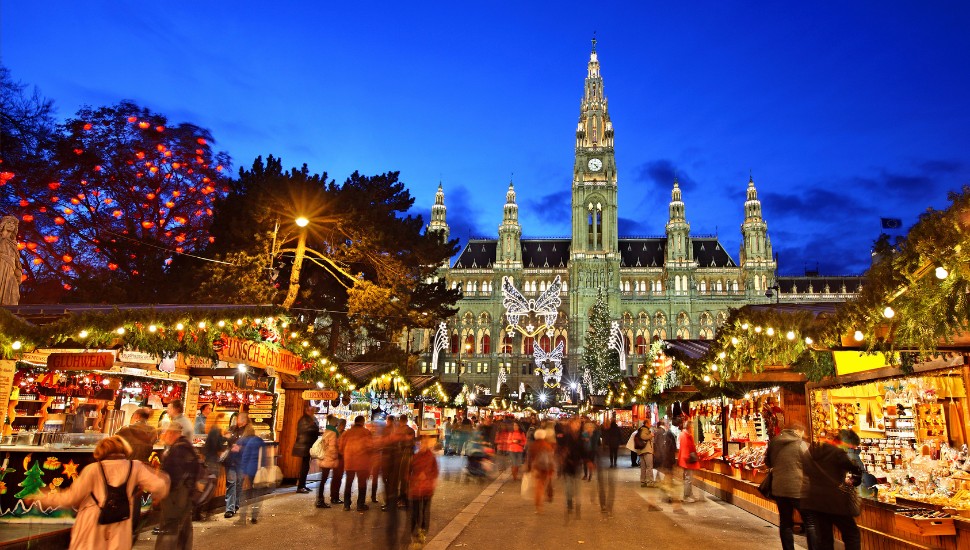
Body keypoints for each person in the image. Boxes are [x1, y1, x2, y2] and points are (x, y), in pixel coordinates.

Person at [30, 435, 169, 550]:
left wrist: (41, 498)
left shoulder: (93, 469)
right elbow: (160, 485)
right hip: (121, 524)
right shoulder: (135, 467)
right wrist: (140, 489)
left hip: (92, 525)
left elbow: (70, 498)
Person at [802, 429, 865, 550]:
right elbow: (856, 470)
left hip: (814, 501)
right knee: (852, 534)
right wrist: (854, 482)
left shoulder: (815, 450)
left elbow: (805, 468)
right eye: (852, 447)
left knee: (824, 538)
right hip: (834, 501)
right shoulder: (838, 453)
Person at [765, 421, 816, 550]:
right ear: (798, 431)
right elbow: (810, 465)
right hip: (798, 489)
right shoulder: (800, 444)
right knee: (810, 522)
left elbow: (768, 462)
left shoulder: (774, 442)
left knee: (785, 523)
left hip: (779, 488)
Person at [116, 407, 157, 541]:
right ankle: (132, 527)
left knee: (123, 496)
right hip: (143, 467)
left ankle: (120, 525)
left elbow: (113, 441)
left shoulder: (125, 429)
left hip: (127, 466)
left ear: (137, 415)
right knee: (136, 497)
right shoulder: (153, 431)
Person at [156, 426, 199, 549]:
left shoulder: (178, 449)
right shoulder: (186, 446)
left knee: (169, 529)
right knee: (184, 530)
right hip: (187, 495)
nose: (163, 437)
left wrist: (160, 492)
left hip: (176, 497)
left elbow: (172, 478)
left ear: (171, 433)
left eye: (164, 433)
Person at [408, 434, 439, 546]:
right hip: (416, 488)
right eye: (421, 443)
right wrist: (414, 478)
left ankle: (423, 531)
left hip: (426, 488)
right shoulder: (415, 457)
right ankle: (414, 531)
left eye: (425, 443)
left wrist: (428, 477)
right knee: (415, 510)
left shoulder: (431, 457)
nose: (423, 445)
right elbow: (408, 472)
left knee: (425, 510)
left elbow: (435, 471)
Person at [339, 415, 374, 511]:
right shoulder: (366, 432)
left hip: (349, 462)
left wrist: (345, 457)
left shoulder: (346, 433)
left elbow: (341, 448)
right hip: (362, 462)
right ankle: (360, 505)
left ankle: (346, 505)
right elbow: (370, 448)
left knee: (348, 483)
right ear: (363, 422)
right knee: (362, 484)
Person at [236, 424, 265, 525]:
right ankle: (254, 516)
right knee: (257, 493)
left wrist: (244, 471)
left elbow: (245, 456)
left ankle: (242, 516)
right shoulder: (259, 441)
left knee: (247, 494)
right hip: (259, 471)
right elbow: (264, 456)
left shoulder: (246, 441)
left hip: (250, 470)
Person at [223, 413, 250, 518]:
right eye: (239, 418)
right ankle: (229, 508)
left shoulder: (248, 432)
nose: (241, 420)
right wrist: (226, 437)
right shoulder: (232, 429)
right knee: (231, 483)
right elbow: (226, 441)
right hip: (231, 460)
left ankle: (235, 506)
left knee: (238, 484)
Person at [316, 415, 344, 508]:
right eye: (336, 423)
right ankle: (320, 500)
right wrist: (335, 457)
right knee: (325, 479)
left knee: (323, 479)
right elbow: (332, 449)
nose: (337, 425)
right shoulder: (333, 433)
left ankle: (320, 499)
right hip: (328, 459)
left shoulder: (327, 431)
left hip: (324, 458)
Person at [293, 403, 321, 494]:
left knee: (306, 466)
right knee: (304, 467)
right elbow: (306, 430)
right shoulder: (304, 419)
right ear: (307, 411)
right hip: (304, 445)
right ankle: (300, 487)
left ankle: (303, 485)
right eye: (312, 410)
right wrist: (315, 429)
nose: (313, 412)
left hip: (307, 445)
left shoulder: (308, 419)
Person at [527, 428, 556, 513]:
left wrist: (529, 468)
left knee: (538, 488)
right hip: (547, 469)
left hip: (537, 469)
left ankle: (539, 506)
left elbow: (529, 459)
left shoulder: (532, 446)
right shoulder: (548, 446)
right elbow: (551, 458)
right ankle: (547, 496)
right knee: (545, 485)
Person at [635, 420, 655, 487]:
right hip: (646, 450)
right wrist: (650, 435)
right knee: (649, 467)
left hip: (642, 450)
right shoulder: (644, 429)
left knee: (643, 467)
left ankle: (643, 482)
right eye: (649, 423)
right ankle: (650, 482)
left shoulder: (641, 429)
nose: (651, 424)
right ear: (646, 423)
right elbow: (643, 437)